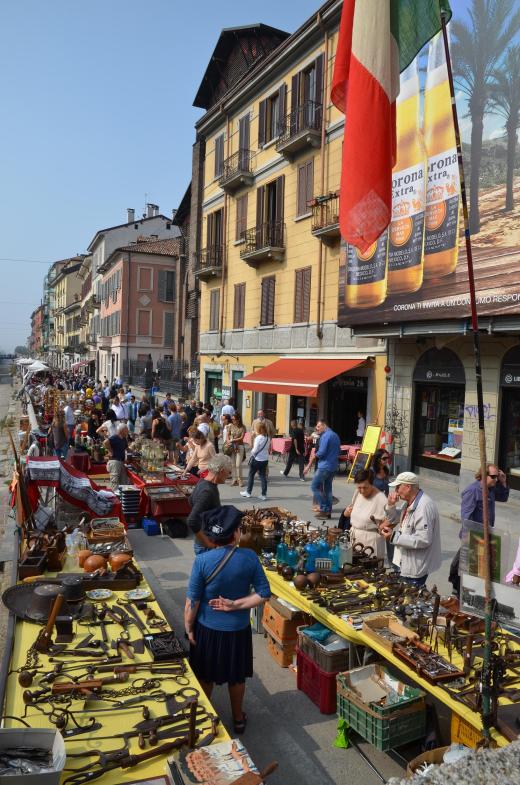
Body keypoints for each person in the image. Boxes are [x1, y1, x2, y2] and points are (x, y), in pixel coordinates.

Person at [185, 505, 271, 733]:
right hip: (238, 629)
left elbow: (192, 602)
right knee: (236, 677)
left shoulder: (202, 561)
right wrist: (236, 605)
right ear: (235, 533)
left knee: (205, 675)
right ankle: (238, 718)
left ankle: (203, 718)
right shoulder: (250, 557)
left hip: (207, 628)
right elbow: (264, 593)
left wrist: (189, 628)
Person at [449, 463, 509, 595]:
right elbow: (466, 518)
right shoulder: (472, 491)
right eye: (493, 476)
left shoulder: (490, 489)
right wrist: (468, 541)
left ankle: (467, 593)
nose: (495, 479)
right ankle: (458, 593)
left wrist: (503, 481)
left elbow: (504, 497)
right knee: (462, 568)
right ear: (483, 475)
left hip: (485, 536)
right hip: (473, 537)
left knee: (478, 570)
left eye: (496, 477)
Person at [380, 472, 442, 587]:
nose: (396, 491)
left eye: (398, 487)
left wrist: (394, 537)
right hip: (405, 561)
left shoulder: (423, 507)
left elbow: (423, 539)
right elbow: (395, 518)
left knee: (410, 598)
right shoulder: (409, 502)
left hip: (416, 566)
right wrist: (390, 505)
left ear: (408, 487)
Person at [187, 453, 232, 554]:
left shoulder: (203, 481)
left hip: (204, 542)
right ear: (221, 471)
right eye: (228, 473)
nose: (229, 476)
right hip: (205, 546)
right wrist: (207, 543)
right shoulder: (208, 491)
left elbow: (190, 500)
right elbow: (192, 520)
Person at [343, 470, 387, 559]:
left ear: (371, 484)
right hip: (354, 538)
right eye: (359, 487)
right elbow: (349, 511)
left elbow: (391, 520)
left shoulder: (381, 499)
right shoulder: (357, 493)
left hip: (371, 541)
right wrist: (347, 512)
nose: (362, 491)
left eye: (365, 487)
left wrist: (381, 527)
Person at [305, 419, 341, 520]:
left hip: (324, 466)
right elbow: (339, 451)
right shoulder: (335, 435)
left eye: (318, 426)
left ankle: (324, 508)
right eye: (317, 427)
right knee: (328, 489)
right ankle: (328, 511)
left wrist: (312, 458)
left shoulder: (325, 436)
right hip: (333, 466)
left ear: (324, 426)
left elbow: (321, 452)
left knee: (314, 486)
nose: (317, 428)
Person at [240, 422, 270, 501]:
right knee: (263, 476)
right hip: (265, 459)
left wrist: (251, 452)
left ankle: (248, 492)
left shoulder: (258, 438)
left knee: (251, 475)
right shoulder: (267, 437)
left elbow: (255, 449)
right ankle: (263, 494)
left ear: (259, 429)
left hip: (257, 459)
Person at [105, 423, 129, 491]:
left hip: (121, 461)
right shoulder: (115, 437)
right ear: (122, 430)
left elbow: (127, 448)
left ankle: (122, 499)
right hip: (115, 461)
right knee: (115, 482)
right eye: (126, 430)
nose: (127, 431)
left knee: (123, 482)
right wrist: (111, 451)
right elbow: (105, 442)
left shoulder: (123, 438)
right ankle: (115, 498)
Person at [227, 413, 246, 487]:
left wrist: (233, 440)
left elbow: (242, 438)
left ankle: (240, 480)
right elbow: (228, 434)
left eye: (233, 419)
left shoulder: (243, 427)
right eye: (232, 419)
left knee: (238, 464)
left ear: (238, 419)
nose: (232, 420)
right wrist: (228, 440)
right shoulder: (231, 426)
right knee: (233, 464)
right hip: (232, 446)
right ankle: (234, 479)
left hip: (239, 446)